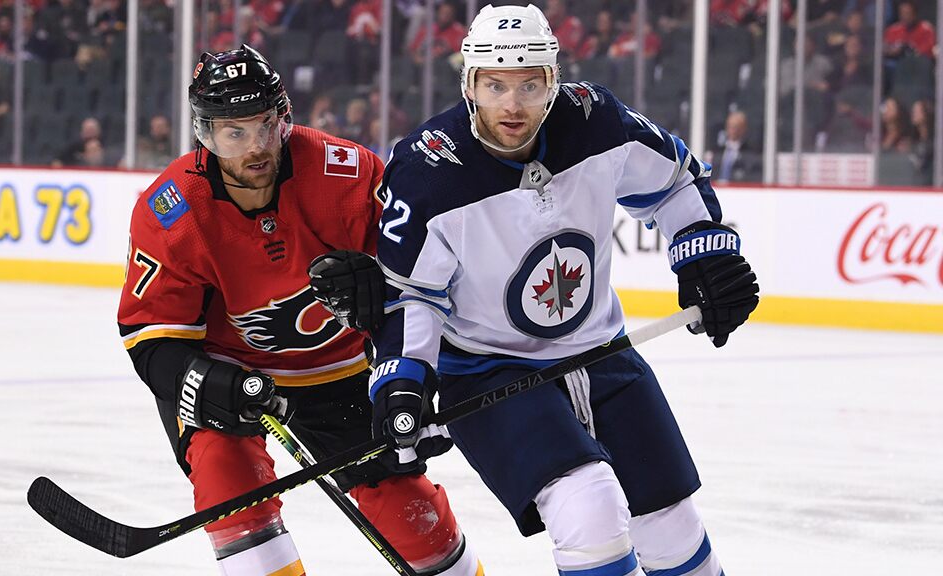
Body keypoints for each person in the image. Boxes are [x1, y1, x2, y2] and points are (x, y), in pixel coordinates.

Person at [311, 5, 759, 576]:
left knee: (671, 524)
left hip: (602, 351)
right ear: (469, 83)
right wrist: (403, 383)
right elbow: (410, 296)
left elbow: (674, 180)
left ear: (554, 79)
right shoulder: (428, 173)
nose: (512, 105)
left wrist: (705, 253)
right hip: (487, 372)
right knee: (587, 506)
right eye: (495, 85)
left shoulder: (595, 121)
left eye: (529, 84)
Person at [117, 44, 482, 576]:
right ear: (204, 134)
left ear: (284, 115)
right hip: (231, 376)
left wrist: (389, 311)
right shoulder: (172, 211)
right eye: (232, 133)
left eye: (265, 125)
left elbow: (426, 285)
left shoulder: (348, 175)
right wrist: (204, 379)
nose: (255, 147)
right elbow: (149, 335)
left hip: (343, 371)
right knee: (227, 482)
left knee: (411, 515)